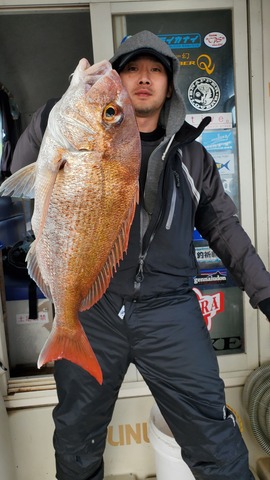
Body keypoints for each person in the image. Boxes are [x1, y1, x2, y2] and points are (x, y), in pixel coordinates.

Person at [11, 30, 270, 480]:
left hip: (169, 311)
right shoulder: (71, 132)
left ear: (169, 86)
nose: (143, 78)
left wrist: (265, 294)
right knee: (76, 437)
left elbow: (226, 230)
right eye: (131, 68)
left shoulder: (193, 158)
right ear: (119, 82)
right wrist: (61, 111)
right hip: (92, 308)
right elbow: (23, 171)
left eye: (156, 70)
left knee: (213, 437)